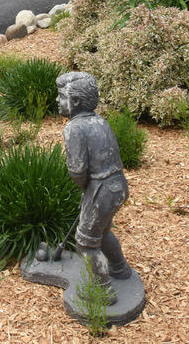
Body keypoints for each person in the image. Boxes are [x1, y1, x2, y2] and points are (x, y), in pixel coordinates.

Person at [56, 71, 133, 287]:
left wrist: (86, 191)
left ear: (76, 101)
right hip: (118, 186)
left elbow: (77, 171)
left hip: (101, 191)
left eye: (61, 96)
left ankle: (102, 290)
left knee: (86, 243)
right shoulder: (100, 122)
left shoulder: (74, 128)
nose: (56, 100)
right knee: (103, 230)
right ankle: (120, 268)